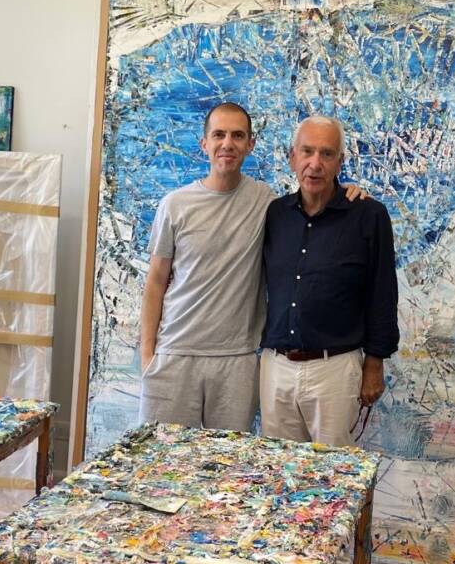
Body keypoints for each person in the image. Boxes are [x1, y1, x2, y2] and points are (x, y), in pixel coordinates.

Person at [138, 103, 366, 431]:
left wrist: (348, 192)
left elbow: (314, 201)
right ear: (204, 143)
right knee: (161, 455)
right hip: (174, 354)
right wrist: (148, 355)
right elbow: (156, 281)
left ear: (250, 144)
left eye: (237, 135)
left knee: (230, 461)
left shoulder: (267, 203)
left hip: (237, 361)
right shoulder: (175, 205)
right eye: (219, 135)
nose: (227, 144)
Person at [260, 114, 399, 564]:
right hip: (276, 365)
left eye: (326, 154)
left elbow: (382, 293)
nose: (315, 163)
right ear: (291, 157)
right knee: (283, 476)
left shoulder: (368, 215)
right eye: (307, 152)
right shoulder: (274, 214)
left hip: (335, 366)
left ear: (341, 161)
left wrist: (374, 364)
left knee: (332, 479)